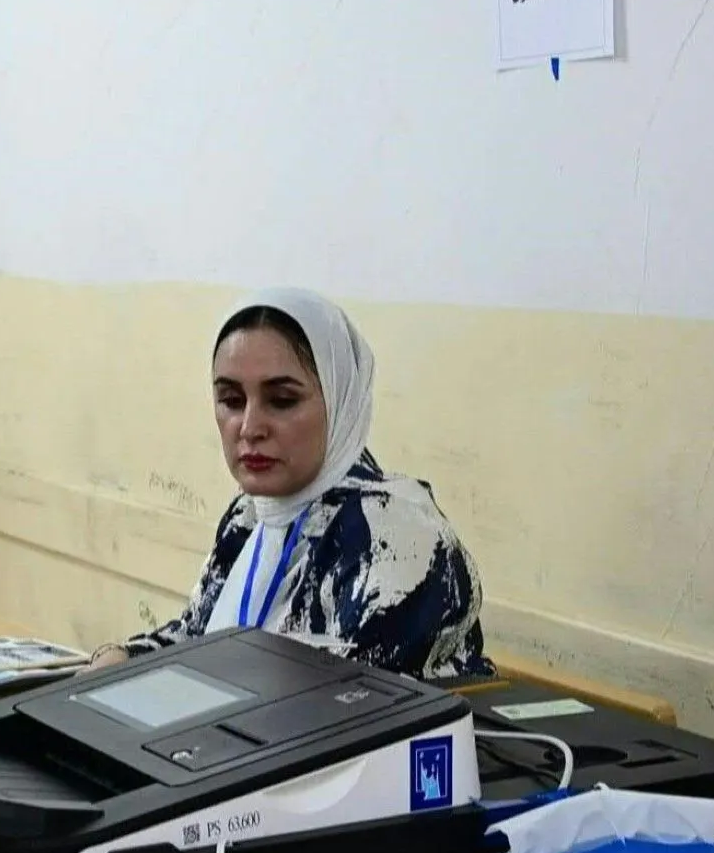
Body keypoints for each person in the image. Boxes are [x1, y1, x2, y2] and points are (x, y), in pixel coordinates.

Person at [87, 287, 493, 681]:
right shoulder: (250, 514)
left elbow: (340, 706)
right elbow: (199, 634)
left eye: (281, 401)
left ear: (340, 401)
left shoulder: (393, 534)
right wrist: (121, 658)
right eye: (231, 400)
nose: (249, 428)